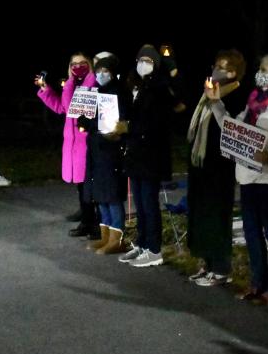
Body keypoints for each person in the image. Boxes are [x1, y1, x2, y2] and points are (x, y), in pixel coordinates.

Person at [212, 53, 268, 303]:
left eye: (264, 69)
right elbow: (234, 129)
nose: (259, 73)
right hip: (248, 176)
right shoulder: (255, 100)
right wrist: (216, 104)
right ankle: (257, 284)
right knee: (252, 233)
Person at [186, 49, 249, 286]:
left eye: (223, 67)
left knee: (217, 215)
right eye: (216, 65)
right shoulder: (208, 94)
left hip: (221, 166)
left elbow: (232, 128)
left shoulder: (236, 95)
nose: (217, 71)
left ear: (234, 72)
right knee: (202, 214)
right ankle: (207, 264)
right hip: (202, 164)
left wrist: (216, 102)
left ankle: (221, 267)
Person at [118, 44, 175, 268]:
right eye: (141, 60)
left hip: (151, 155)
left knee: (150, 204)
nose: (144, 64)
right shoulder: (137, 85)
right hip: (136, 154)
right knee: (140, 204)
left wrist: (129, 127)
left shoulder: (160, 88)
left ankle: (154, 249)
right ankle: (142, 243)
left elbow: (155, 123)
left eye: (149, 61)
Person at [35, 52, 100, 238]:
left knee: (89, 185)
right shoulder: (72, 85)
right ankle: (86, 219)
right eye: (74, 64)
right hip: (72, 143)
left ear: (89, 64)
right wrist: (46, 89)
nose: (78, 66)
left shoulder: (94, 84)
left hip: (86, 141)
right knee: (81, 185)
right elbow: (62, 108)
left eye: (82, 63)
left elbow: (76, 109)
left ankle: (93, 222)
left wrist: (70, 88)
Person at [79, 55, 130, 255]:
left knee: (111, 195)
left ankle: (117, 238)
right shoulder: (96, 92)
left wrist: (117, 132)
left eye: (105, 71)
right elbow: (89, 120)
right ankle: (105, 236)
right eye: (98, 71)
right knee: (99, 194)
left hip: (110, 151)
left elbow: (124, 122)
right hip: (96, 150)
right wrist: (83, 119)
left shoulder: (120, 93)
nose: (101, 75)